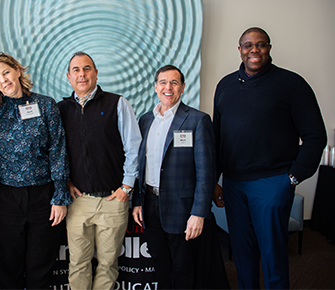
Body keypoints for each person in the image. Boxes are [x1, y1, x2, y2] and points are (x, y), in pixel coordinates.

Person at [213, 27, 327, 289]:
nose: (254, 50)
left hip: (272, 183)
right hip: (233, 184)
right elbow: (218, 137)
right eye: (248, 45)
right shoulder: (225, 85)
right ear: (239, 50)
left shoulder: (292, 84)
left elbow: (315, 136)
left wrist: (292, 176)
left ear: (269, 48)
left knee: (273, 254)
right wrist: (215, 180)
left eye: (261, 45)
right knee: (242, 254)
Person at [131, 65, 229, 289]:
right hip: (150, 204)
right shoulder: (145, 120)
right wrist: (137, 202)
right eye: (163, 82)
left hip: (182, 209)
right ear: (155, 87)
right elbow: (140, 164)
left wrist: (199, 213)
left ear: (183, 87)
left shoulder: (197, 120)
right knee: (160, 264)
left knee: (183, 268)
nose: (168, 87)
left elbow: (206, 172)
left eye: (174, 83)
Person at [0, 52, 72, 289]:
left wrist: (60, 196)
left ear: (18, 71)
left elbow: (57, 149)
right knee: (8, 265)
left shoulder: (45, 104)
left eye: (6, 73)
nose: (3, 80)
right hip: (7, 197)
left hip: (44, 196)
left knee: (40, 265)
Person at [57, 51, 141, 290]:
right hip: (78, 201)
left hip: (113, 199)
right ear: (68, 76)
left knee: (107, 264)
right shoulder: (61, 109)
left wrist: (126, 187)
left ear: (95, 73)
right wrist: (66, 182)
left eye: (87, 69)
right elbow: (56, 152)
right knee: (78, 263)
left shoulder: (117, 103)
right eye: (76, 70)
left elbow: (133, 147)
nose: (81, 74)